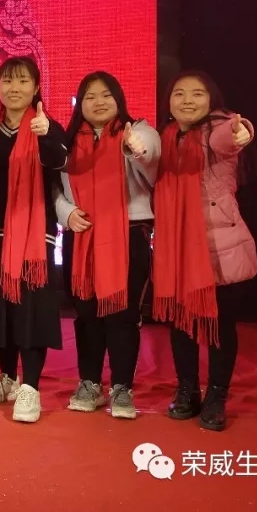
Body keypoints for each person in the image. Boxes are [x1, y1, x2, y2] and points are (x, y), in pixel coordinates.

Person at [155, 70, 256, 432]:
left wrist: (243, 132)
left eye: (197, 94)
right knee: (181, 324)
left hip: (219, 249)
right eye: (179, 93)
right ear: (168, 101)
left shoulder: (218, 128)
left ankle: (216, 396)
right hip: (176, 247)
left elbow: (231, 136)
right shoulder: (166, 137)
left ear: (211, 100)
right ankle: (187, 390)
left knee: (219, 327)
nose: (187, 100)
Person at [56, 72, 159, 419]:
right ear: (79, 104)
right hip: (82, 233)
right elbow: (53, 189)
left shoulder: (138, 131)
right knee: (86, 315)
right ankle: (89, 383)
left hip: (127, 236)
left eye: (105, 95)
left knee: (123, 315)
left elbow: (151, 159)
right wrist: (66, 213)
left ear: (119, 99)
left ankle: (122, 387)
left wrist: (136, 149)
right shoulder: (68, 142)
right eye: (90, 97)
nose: (98, 102)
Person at [0, 57, 68, 424]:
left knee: (30, 310)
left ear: (36, 87)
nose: (14, 88)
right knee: (1, 310)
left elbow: (59, 162)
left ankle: (30, 386)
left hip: (33, 239)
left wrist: (46, 137)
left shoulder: (47, 126)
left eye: (23, 81)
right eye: (8, 81)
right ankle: (8, 377)